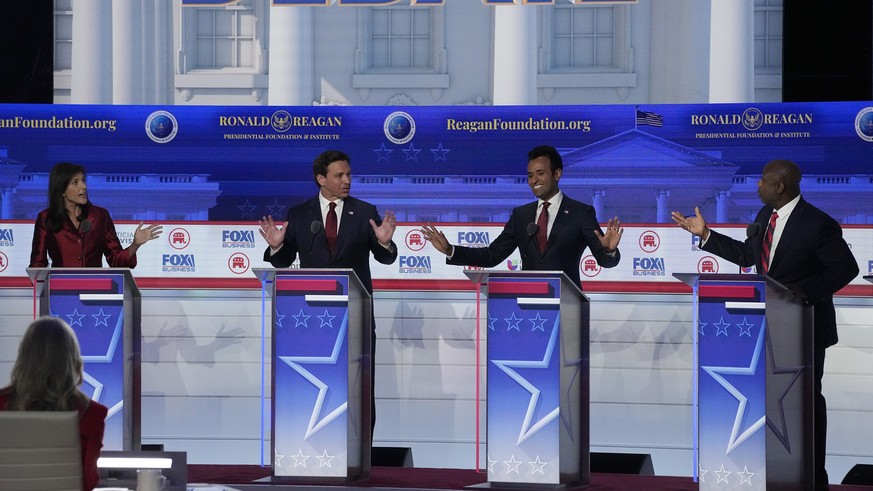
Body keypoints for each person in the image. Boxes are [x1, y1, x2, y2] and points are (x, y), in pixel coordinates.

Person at [671, 159, 858, 490]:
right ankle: (768, 471)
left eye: (762, 181)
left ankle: (812, 477)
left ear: (780, 187)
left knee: (805, 402)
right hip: (764, 327)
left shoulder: (818, 224)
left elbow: (845, 268)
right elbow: (748, 257)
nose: (757, 185)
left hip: (805, 328)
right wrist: (706, 235)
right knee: (767, 402)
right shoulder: (763, 218)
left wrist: (801, 295)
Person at [259, 149, 398, 430]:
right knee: (314, 382)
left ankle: (361, 456)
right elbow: (284, 262)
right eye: (339, 175)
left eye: (349, 174)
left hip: (355, 315)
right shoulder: (299, 215)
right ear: (321, 178)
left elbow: (386, 257)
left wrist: (384, 243)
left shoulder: (365, 212)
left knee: (360, 385)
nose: (347, 180)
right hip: (312, 317)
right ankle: (313, 441)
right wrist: (275, 247)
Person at [421, 144, 623, 288]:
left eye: (541, 173)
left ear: (557, 174)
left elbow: (605, 262)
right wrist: (450, 250)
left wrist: (609, 251)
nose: (534, 180)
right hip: (526, 304)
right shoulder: (521, 215)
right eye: (530, 175)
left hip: (566, 305)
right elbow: (492, 256)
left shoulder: (581, 212)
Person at [0, 317, 108, 491]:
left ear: (24, 357)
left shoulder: (1, 404)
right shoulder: (93, 414)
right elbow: (89, 482)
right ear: (72, 359)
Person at [30, 161, 162, 268]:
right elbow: (37, 264)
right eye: (75, 183)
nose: (84, 187)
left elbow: (116, 261)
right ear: (62, 191)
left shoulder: (100, 216)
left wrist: (135, 244)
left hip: (95, 291)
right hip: (59, 292)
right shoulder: (46, 218)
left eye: (83, 180)